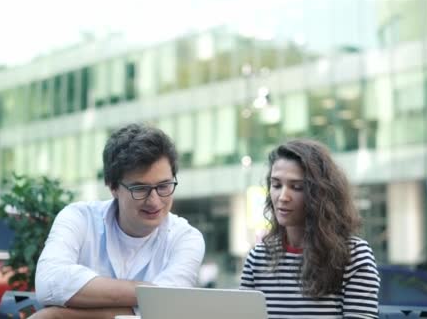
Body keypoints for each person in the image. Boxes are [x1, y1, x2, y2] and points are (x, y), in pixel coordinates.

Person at [31, 123, 205, 318]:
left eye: (164, 186)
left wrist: (60, 315)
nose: (154, 201)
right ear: (112, 186)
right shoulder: (79, 218)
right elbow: (49, 282)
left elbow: (166, 309)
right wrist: (150, 296)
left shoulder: (186, 238)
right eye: (140, 189)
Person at [240, 139, 379, 318]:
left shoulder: (353, 256)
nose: (282, 197)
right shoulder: (257, 258)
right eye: (276, 185)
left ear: (320, 195)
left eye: (296, 187)